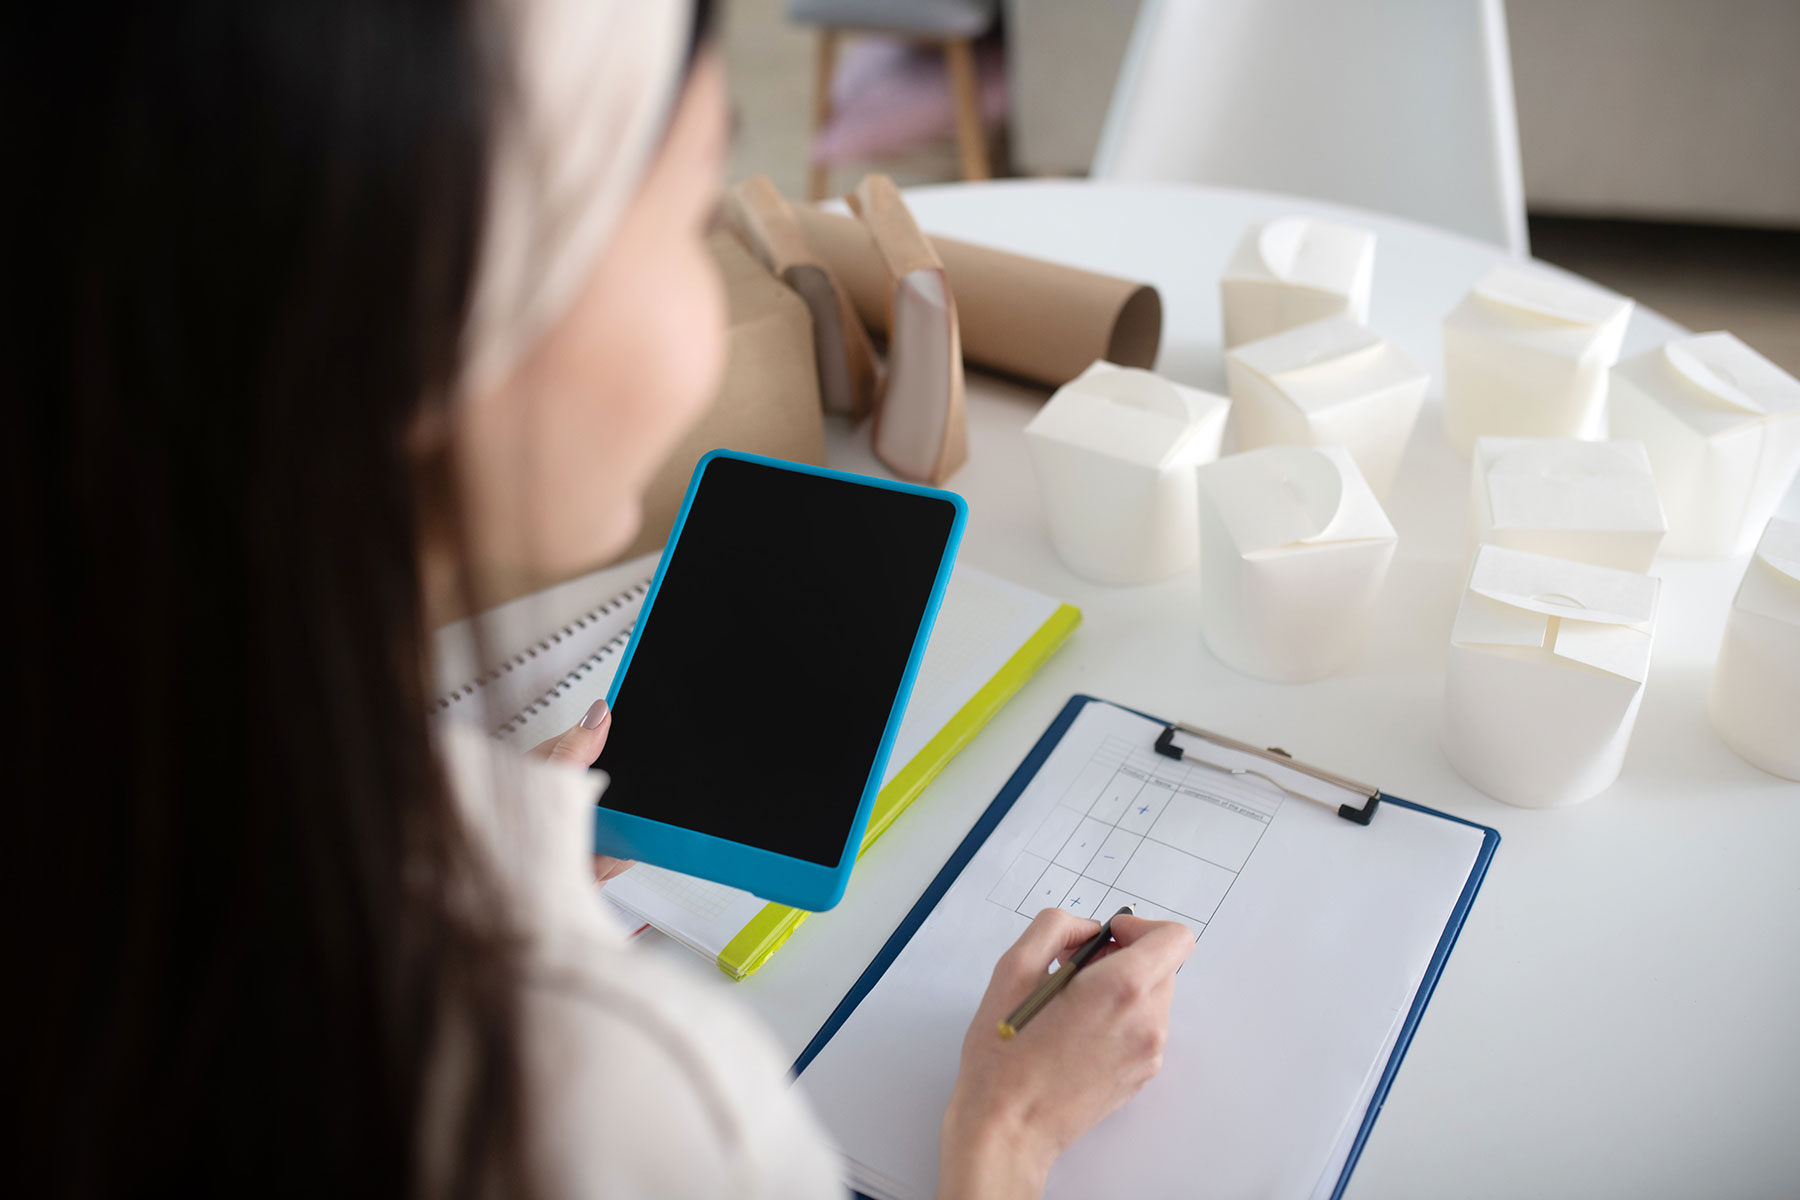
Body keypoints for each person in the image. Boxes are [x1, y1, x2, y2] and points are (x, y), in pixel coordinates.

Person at [3, 0, 1192, 1195]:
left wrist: (480, 865)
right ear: (442, 330)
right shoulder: (626, 1103)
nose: (711, 316)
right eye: (683, 223)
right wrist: (1006, 1136)